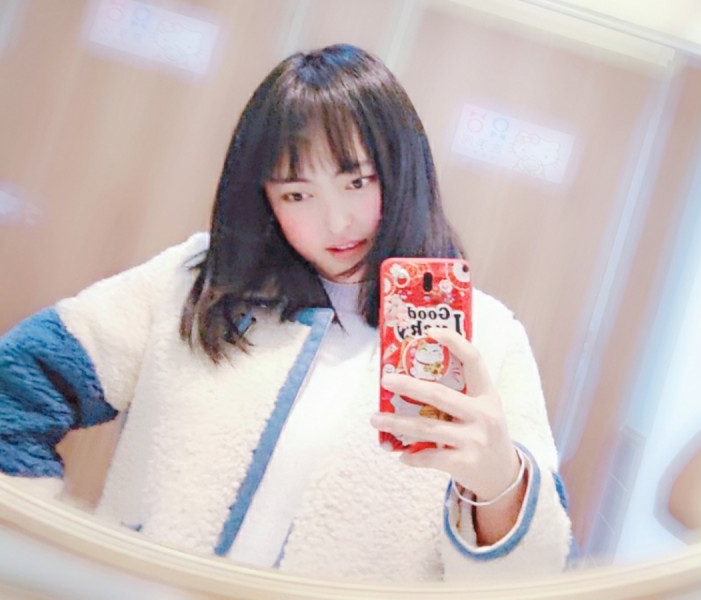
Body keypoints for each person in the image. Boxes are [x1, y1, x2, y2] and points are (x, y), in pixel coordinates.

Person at [0, 44, 571, 583]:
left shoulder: (488, 337)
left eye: (357, 182)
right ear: (263, 197)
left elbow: (533, 574)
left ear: (401, 171)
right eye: (297, 194)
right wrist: (47, 557)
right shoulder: (198, 281)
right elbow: (16, 388)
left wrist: (500, 482)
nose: (338, 222)